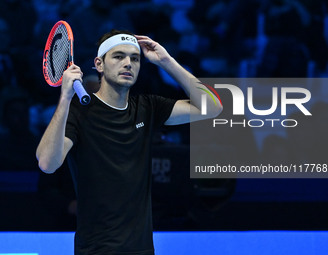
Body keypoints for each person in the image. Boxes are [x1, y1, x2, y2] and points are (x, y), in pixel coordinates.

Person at [36, 29, 222, 254]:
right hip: (96, 249)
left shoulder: (147, 108)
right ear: (99, 64)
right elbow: (47, 163)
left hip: (141, 249)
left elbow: (212, 107)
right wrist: (65, 98)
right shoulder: (78, 113)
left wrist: (167, 61)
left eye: (135, 59)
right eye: (118, 56)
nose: (128, 63)